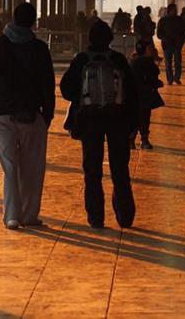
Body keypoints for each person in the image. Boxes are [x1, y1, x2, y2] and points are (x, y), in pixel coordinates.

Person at [0, 2, 56, 230]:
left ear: (13, 18)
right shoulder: (40, 49)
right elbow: (48, 85)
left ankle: (11, 216)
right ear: (33, 22)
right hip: (31, 116)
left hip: (2, 116)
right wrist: (47, 115)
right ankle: (29, 215)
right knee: (32, 168)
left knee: (10, 168)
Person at [61, 20, 139, 229]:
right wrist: (133, 124)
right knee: (120, 169)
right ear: (110, 39)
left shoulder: (81, 60)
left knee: (92, 170)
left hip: (90, 121)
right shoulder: (118, 60)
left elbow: (66, 90)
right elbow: (132, 94)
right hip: (118, 120)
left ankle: (96, 217)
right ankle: (125, 216)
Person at [130, 39, 163, 150]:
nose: (151, 50)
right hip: (145, 95)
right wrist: (157, 83)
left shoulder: (133, 61)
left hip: (134, 95)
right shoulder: (148, 62)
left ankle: (131, 139)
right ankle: (144, 140)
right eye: (149, 49)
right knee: (144, 118)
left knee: (134, 117)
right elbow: (153, 75)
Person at [156, 3, 185, 85]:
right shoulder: (163, 20)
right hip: (167, 44)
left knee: (177, 62)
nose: (175, 11)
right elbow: (159, 33)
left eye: (175, 10)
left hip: (177, 44)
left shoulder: (179, 20)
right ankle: (170, 79)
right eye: (174, 10)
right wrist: (165, 38)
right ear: (169, 10)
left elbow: (184, 31)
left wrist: (181, 40)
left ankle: (176, 77)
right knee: (168, 63)